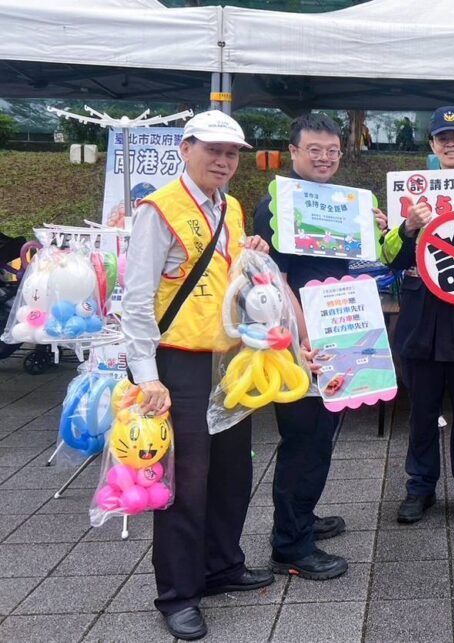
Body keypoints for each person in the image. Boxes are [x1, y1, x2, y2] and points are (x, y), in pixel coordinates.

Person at [121, 110, 273, 640]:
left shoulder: (229, 207)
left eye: (232, 153)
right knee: (185, 483)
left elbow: (223, 277)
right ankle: (179, 593)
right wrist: (148, 377)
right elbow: (136, 302)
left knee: (232, 472)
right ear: (186, 148)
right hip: (179, 365)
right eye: (213, 150)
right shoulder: (158, 210)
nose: (224, 161)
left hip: (229, 359)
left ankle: (222, 565)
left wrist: (250, 253)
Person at [252, 113, 387, 582]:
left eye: (332, 151)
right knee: (303, 441)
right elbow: (276, 278)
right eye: (315, 150)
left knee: (322, 437)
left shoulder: (339, 203)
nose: (325, 158)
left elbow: (363, 261)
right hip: (300, 341)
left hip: (339, 329)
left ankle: (302, 520)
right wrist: (305, 338)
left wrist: (375, 229)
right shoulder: (275, 205)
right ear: (293, 152)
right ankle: (290, 546)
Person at [380, 106, 454, 527]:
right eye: (442, 137)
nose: (450, 143)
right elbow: (389, 258)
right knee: (421, 412)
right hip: (420, 319)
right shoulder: (408, 193)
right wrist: (407, 227)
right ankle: (419, 488)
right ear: (431, 145)